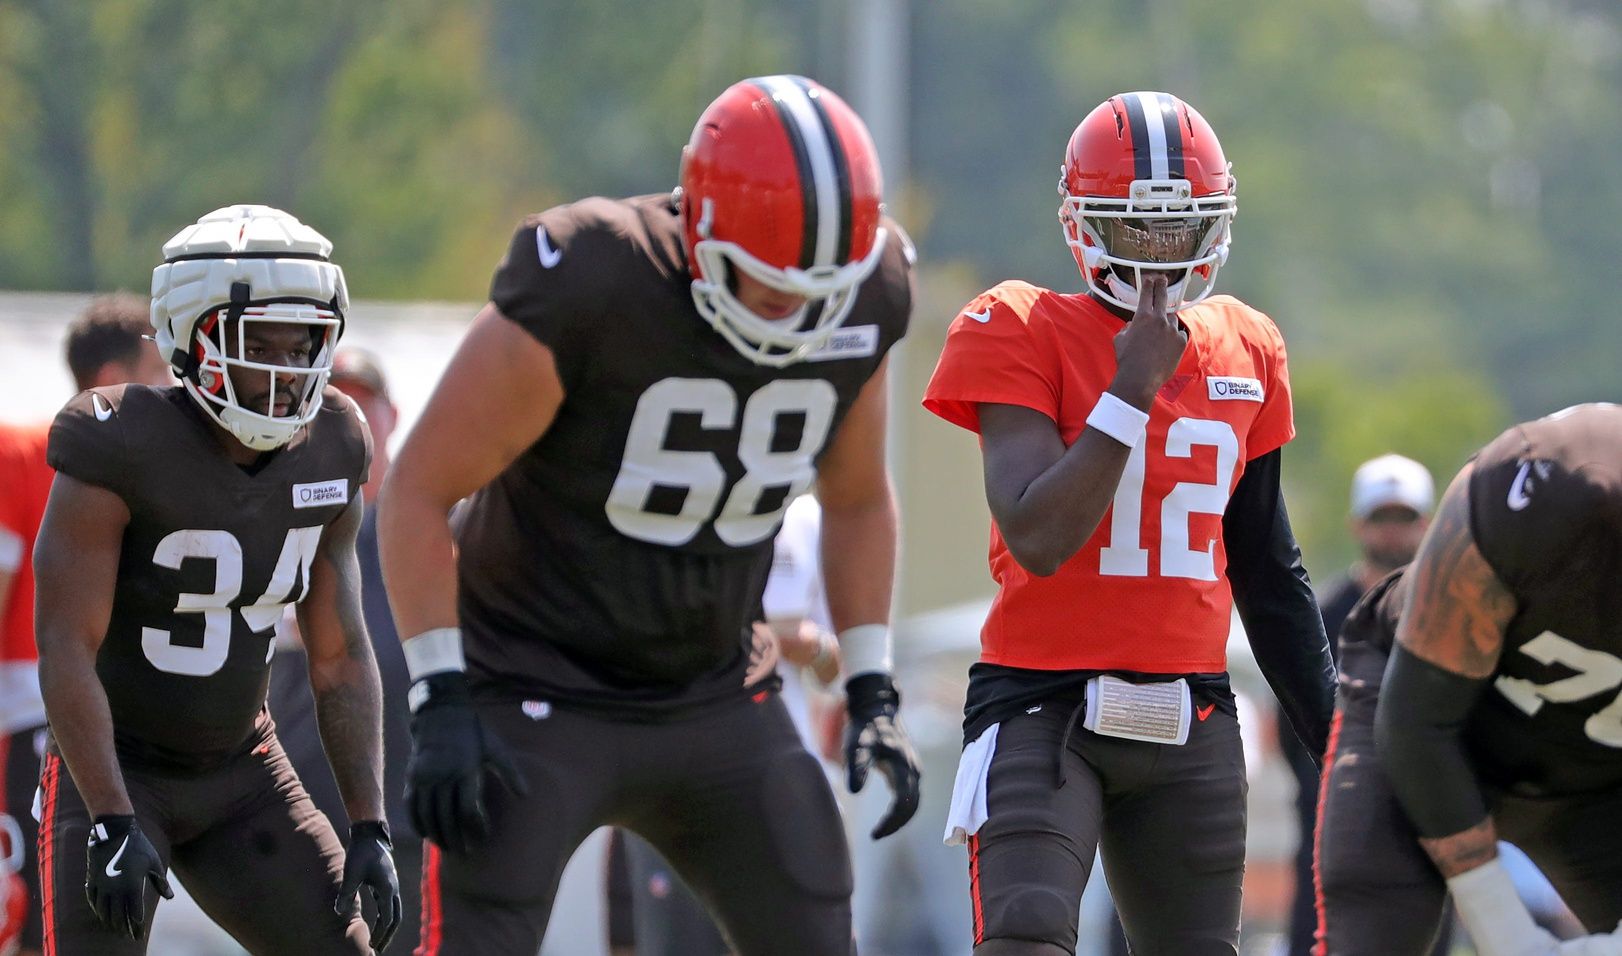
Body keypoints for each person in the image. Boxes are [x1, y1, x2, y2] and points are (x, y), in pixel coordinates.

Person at [378, 74, 920, 956]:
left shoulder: (866, 294)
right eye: (768, 280)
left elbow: (857, 497)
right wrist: (440, 692)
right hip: (534, 678)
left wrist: (872, 686)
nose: (797, 308)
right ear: (701, 233)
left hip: (713, 688)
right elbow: (419, 490)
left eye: (823, 286)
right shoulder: (596, 279)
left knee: (814, 906)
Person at [923, 91, 1335, 956]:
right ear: (1083, 224)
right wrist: (1129, 391)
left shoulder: (1247, 346)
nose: (1156, 259)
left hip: (1192, 713)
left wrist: (1337, 740)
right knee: (1026, 935)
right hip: (1040, 702)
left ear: (1214, 226)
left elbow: (1265, 567)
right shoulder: (1020, 326)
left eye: (1176, 233)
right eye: (1135, 232)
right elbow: (1038, 536)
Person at [32, 205, 400, 954]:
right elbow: (67, 644)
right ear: (189, 340)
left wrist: (370, 822)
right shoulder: (120, 440)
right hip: (116, 765)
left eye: (302, 345)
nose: (282, 368)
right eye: (256, 343)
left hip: (244, 770)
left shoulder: (334, 444)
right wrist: (107, 814)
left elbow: (339, 653)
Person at [1316, 402, 1622, 955]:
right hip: (1436, 724)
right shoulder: (1547, 484)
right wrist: (1498, 919)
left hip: (1595, 779)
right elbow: (1417, 724)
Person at [0, 293, 173, 956]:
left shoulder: (162, 477)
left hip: (122, 731)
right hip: (31, 728)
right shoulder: (24, 456)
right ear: (114, 381)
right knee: (35, 911)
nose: (170, 396)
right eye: (157, 375)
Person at [606, 492, 844, 956]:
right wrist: (757, 635)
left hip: (782, 777)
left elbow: (839, 667)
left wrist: (809, 646)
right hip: (676, 778)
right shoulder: (675, 503)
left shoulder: (809, 517)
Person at [267, 347, 421, 949]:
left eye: (363, 399)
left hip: (405, 819)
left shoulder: (431, 531)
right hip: (298, 821)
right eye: (333, 398)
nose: (349, 412)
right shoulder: (271, 520)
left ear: (393, 415)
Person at [1280, 453, 1435, 956]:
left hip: (1429, 817)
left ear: (1427, 524)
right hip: (1333, 821)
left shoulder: (1449, 613)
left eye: (1404, 518)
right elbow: (1287, 724)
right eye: (1380, 518)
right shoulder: (1321, 615)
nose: (1392, 532)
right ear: (1357, 525)